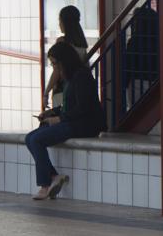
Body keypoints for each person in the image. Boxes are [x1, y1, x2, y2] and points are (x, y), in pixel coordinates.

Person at [26, 42, 105, 200]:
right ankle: (54, 176)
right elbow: (69, 105)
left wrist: (59, 118)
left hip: (84, 125)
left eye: (55, 63)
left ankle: (45, 184)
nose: (54, 68)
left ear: (64, 61)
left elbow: (83, 107)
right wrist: (51, 112)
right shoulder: (70, 77)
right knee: (29, 138)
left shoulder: (81, 76)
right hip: (71, 121)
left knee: (37, 140)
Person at [43, 5, 89, 110]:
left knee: (61, 119)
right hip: (78, 90)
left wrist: (46, 92)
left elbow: (57, 71)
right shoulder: (82, 44)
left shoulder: (62, 43)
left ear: (66, 22)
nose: (59, 24)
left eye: (60, 21)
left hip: (63, 90)